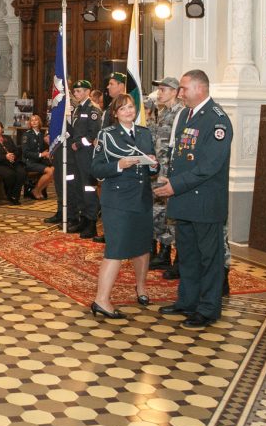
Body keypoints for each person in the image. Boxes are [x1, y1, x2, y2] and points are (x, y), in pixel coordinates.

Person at [153, 70, 233, 329]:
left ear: (200, 88)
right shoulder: (186, 114)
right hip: (184, 199)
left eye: (184, 88)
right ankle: (187, 301)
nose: (180, 93)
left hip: (204, 202)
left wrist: (174, 186)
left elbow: (209, 166)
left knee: (209, 258)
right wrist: (171, 182)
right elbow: (180, 154)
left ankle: (208, 309)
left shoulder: (216, 120)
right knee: (187, 255)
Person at [89, 94, 158, 319]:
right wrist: (118, 165)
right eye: (123, 108)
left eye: (131, 107)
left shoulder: (145, 133)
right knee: (116, 250)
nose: (128, 111)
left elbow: (152, 166)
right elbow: (96, 169)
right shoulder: (107, 135)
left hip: (142, 198)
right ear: (115, 113)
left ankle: (141, 288)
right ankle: (101, 299)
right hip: (117, 201)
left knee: (142, 247)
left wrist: (153, 166)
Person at [46, 80, 101, 237]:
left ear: (87, 92)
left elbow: (93, 134)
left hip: (86, 154)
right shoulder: (78, 109)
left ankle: (91, 222)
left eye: (78, 91)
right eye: (75, 91)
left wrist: (79, 144)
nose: (75, 94)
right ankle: (83, 218)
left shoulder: (92, 109)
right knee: (78, 186)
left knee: (88, 188)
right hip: (76, 155)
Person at [148, 77, 183, 271]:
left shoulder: (181, 114)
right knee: (157, 213)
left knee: (172, 216)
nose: (159, 93)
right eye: (159, 89)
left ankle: (176, 256)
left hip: (170, 173)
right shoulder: (162, 113)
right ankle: (161, 250)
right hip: (157, 171)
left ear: (175, 91)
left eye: (163, 89)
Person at [0, 121, 26, 205]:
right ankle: (10, 194)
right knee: (10, 174)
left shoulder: (7, 138)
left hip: (11, 162)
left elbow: (16, 150)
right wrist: (5, 157)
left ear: (2, 129)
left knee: (22, 172)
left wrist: (13, 155)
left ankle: (14, 194)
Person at [21, 114, 54, 200]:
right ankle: (36, 190)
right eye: (32, 120)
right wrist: (40, 154)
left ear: (39, 122)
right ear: (30, 123)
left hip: (38, 161)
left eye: (36, 120)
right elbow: (25, 152)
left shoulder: (40, 134)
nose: (34, 122)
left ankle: (39, 190)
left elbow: (42, 149)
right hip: (29, 161)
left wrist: (46, 152)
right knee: (49, 171)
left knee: (54, 169)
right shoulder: (27, 135)